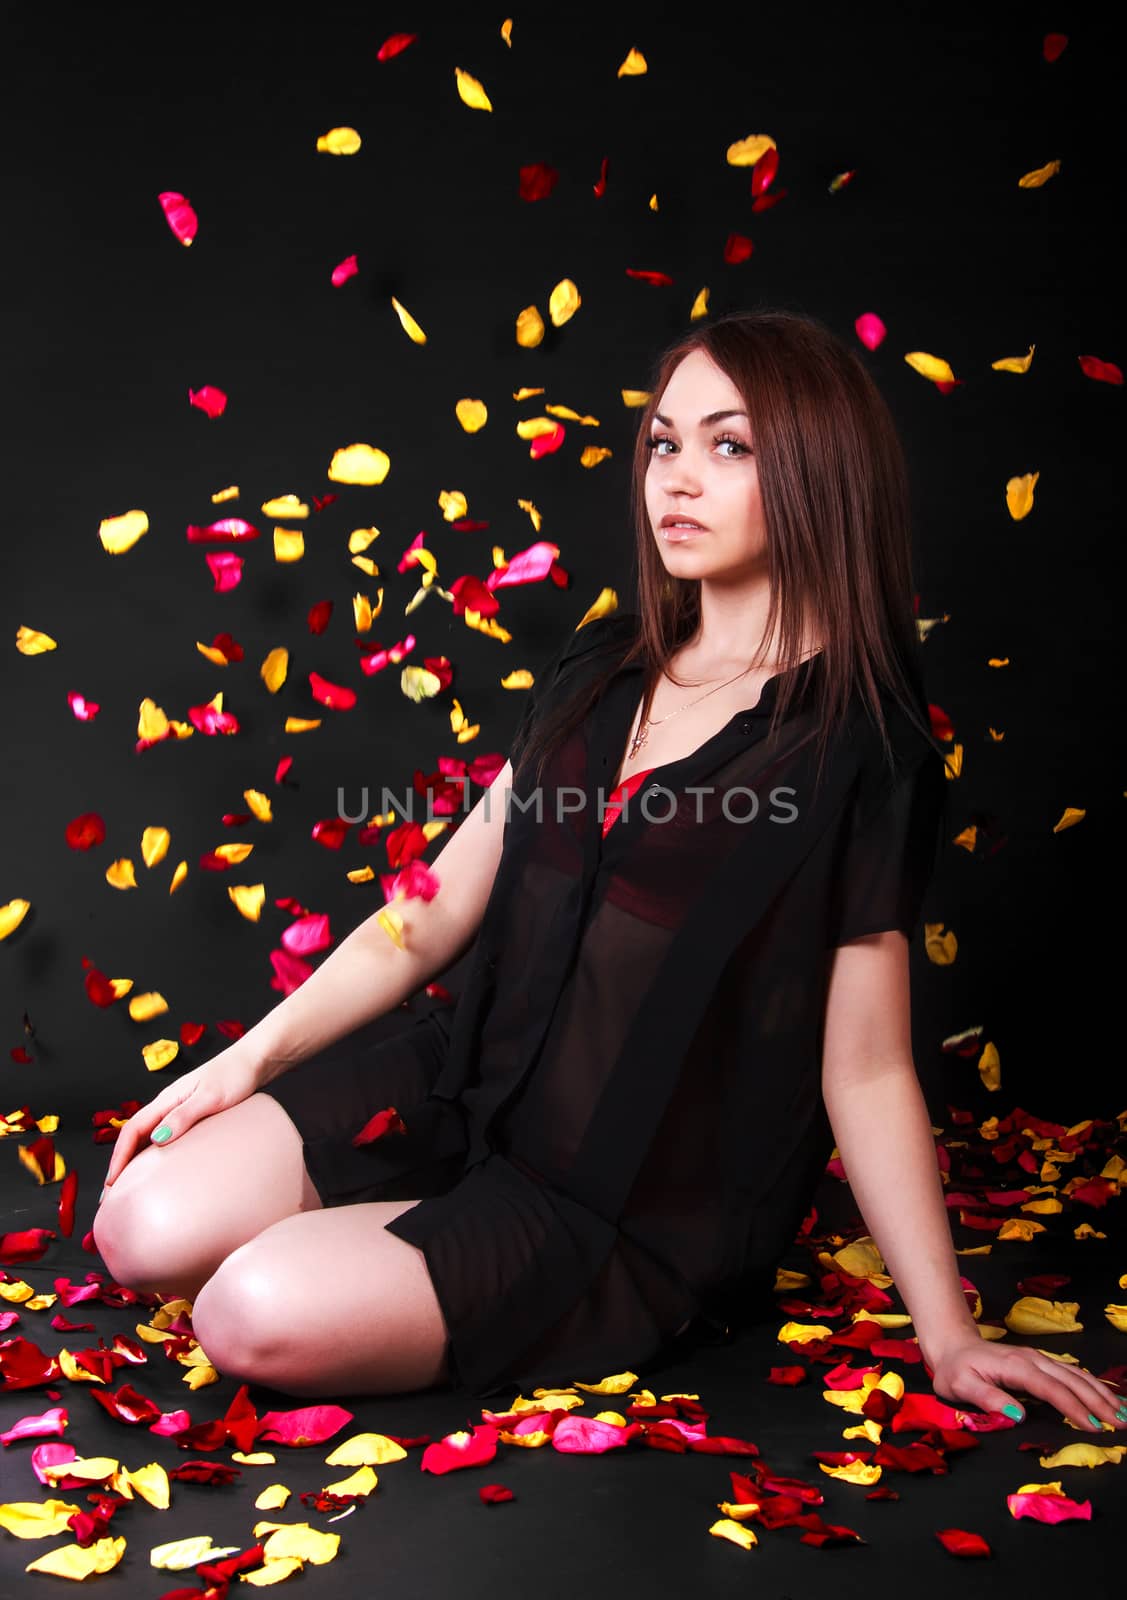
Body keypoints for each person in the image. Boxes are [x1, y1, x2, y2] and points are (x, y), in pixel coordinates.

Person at [92, 310, 1127, 1436]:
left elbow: (865, 1065)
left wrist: (947, 1331)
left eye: (728, 446)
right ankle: (403, 1225)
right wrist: (244, 1061)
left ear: (818, 469)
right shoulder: (601, 664)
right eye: (663, 442)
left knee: (246, 1311)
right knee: (139, 1227)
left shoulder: (858, 746)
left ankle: (414, 1259)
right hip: (466, 1083)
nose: (677, 479)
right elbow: (427, 916)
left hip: (615, 1194)